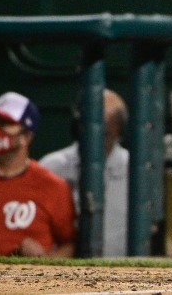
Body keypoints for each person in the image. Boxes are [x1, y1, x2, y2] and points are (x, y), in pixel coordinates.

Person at [0, 92, 76, 257]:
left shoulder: (53, 186)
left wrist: (46, 261)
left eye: (4, 123)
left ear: (26, 137)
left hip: (26, 282)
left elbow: (69, 244)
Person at [39, 89, 131, 258]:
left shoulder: (133, 170)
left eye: (105, 122)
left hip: (122, 275)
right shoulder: (50, 167)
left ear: (118, 128)